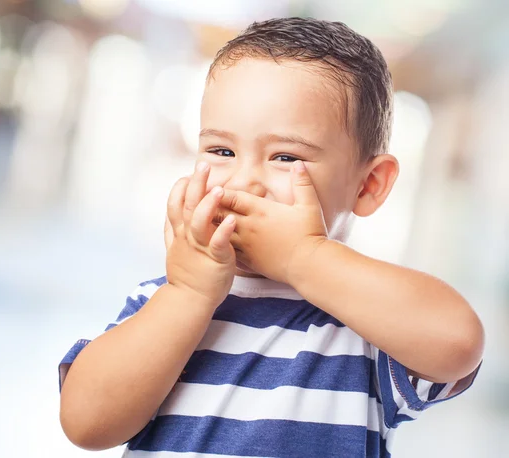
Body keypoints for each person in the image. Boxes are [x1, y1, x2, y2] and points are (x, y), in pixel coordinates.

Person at [58, 17, 484, 457]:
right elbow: (86, 424)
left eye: (285, 156)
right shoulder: (163, 301)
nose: (244, 181)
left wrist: (304, 256)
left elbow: (458, 342)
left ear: (368, 185)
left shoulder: (369, 329)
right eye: (222, 151)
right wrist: (187, 295)